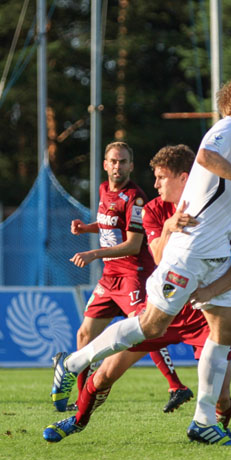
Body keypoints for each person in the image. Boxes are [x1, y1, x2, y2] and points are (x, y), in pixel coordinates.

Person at [50, 78, 231, 445]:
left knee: (225, 332)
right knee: (150, 326)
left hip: (213, 257)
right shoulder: (229, 127)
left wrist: (210, 290)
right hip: (189, 254)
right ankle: (73, 364)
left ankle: (203, 422)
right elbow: (205, 157)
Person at [52, 141, 192, 414]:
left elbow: (131, 243)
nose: (118, 166)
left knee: (145, 329)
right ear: (105, 165)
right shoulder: (104, 190)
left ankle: (176, 386)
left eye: (123, 161)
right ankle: (84, 398)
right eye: (113, 161)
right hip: (109, 277)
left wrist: (94, 253)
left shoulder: (136, 198)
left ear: (131, 165)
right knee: (84, 334)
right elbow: (110, 224)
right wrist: (87, 228)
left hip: (132, 275)